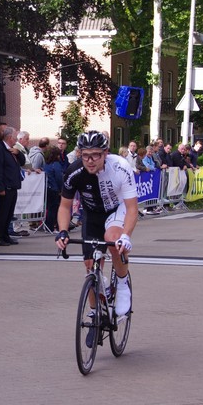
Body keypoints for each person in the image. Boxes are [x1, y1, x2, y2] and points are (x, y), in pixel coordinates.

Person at [55, 131, 138, 342]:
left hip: (117, 210)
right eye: (85, 155)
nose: (90, 160)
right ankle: (95, 314)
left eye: (95, 155)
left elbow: (132, 208)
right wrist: (63, 231)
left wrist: (126, 236)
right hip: (92, 215)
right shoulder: (74, 172)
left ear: (105, 153)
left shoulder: (120, 167)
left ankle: (122, 284)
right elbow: (64, 206)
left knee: (112, 238)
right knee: (90, 266)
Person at [0, 125, 25, 246]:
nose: (16, 140)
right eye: (15, 138)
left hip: (13, 186)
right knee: (2, 213)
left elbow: (22, 161)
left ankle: (5, 235)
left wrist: (18, 153)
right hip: (5, 186)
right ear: (9, 138)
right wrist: (0, 187)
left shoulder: (12, 149)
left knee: (9, 213)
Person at [43, 146, 64, 231]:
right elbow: (59, 178)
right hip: (54, 189)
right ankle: (52, 226)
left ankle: (48, 226)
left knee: (49, 208)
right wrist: (61, 189)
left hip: (47, 188)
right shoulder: (56, 165)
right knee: (55, 208)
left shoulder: (46, 165)